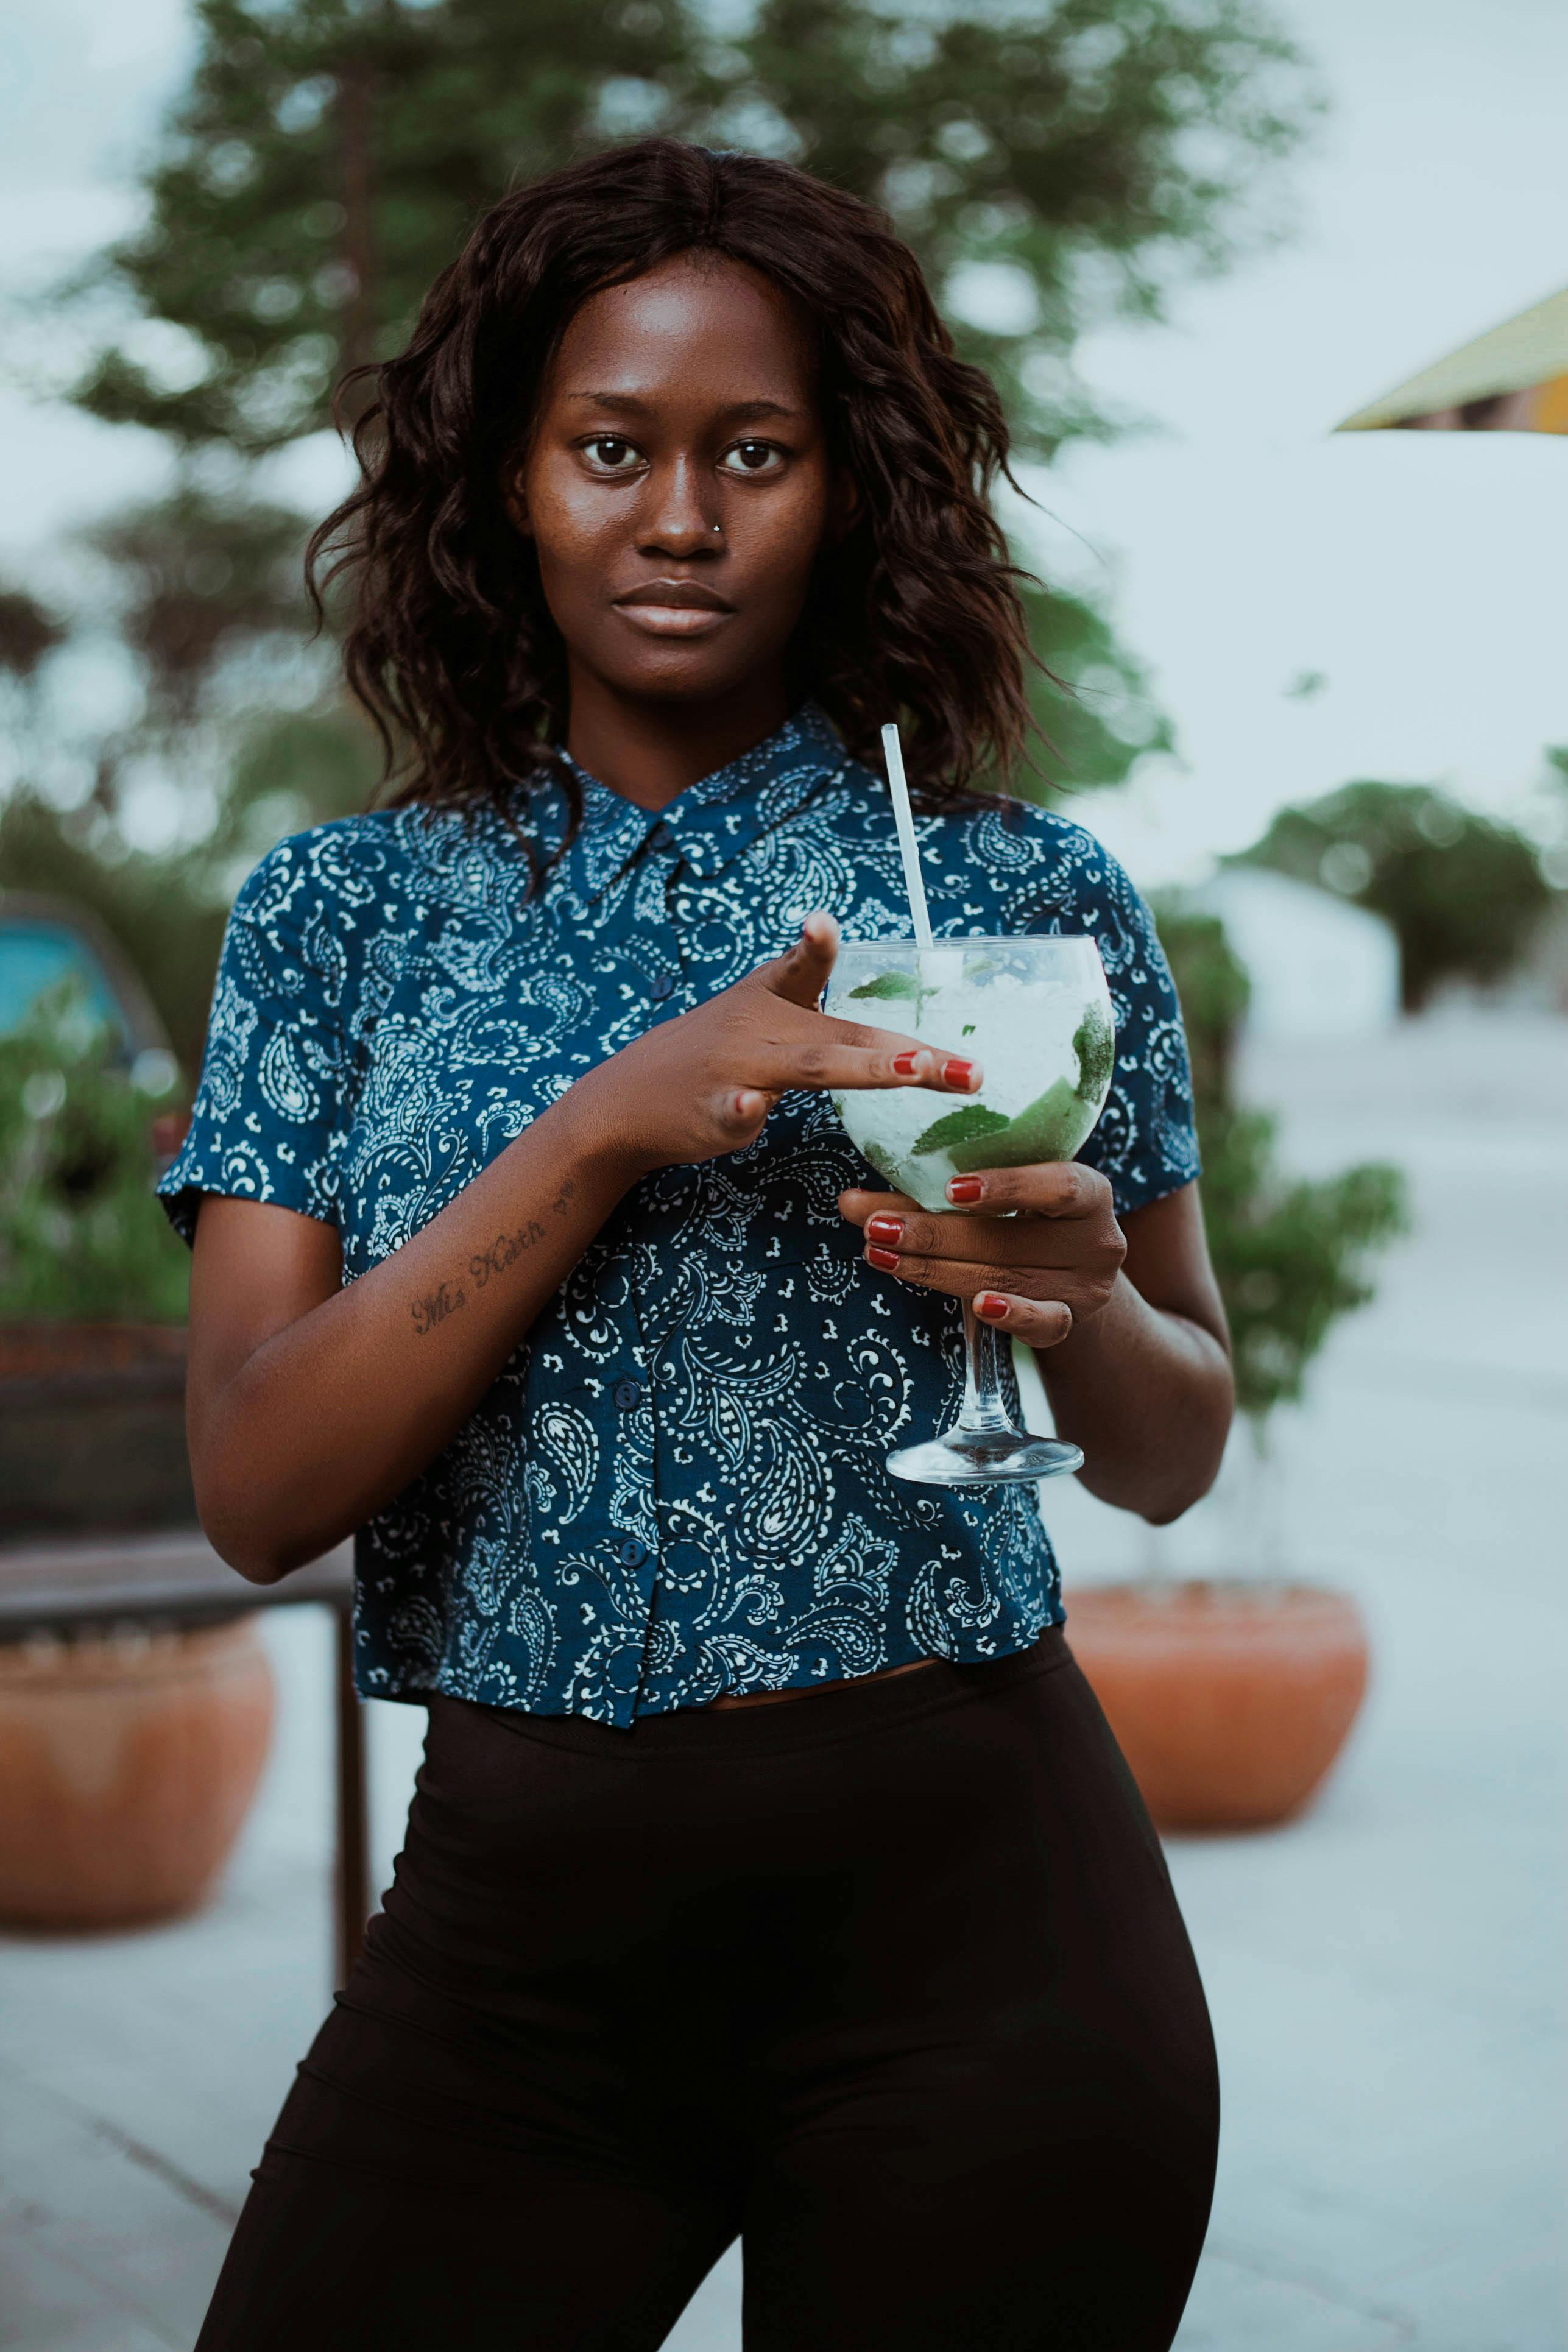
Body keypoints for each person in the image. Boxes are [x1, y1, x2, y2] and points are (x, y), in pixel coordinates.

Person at [164, 137, 1231, 2352]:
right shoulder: (338, 920)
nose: (679, 517)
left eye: (756, 452)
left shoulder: (1018, 900)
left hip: (986, 1939)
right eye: (610, 449)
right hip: (513, 1965)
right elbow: (260, 1491)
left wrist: (1090, 1298)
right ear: (506, 484)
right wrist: (599, 1133)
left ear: (847, 489)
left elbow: (1174, 1448)